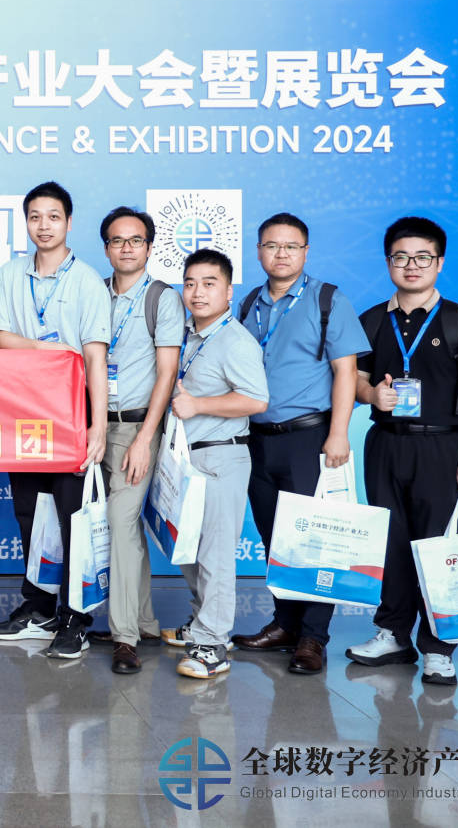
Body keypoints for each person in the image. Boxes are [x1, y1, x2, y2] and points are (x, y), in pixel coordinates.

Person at [348, 216, 458, 687]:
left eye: (422, 257)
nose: (411, 265)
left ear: (440, 262)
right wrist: (372, 395)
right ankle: (393, 634)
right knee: (390, 544)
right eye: (401, 257)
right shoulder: (372, 320)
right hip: (386, 444)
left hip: (442, 446)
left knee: (437, 547)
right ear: (388, 261)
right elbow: (354, 381)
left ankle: (438, 648)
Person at [233, 213, 368, 676]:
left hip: (309, 437)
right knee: (274, 539)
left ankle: (313, 637)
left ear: (306, 252)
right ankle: (285, 624)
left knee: (314, 541)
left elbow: (346, 371)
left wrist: (338, 433)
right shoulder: (249, 303)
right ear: (258, 251)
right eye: (272, 246)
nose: (281, 254)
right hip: (256, 438)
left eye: (291, 246)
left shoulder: (327, 300)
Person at [0, 181, 110, 660]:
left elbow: (95, 357)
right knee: (30, 513)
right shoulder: (9, 274)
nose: (44, 226)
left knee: (71, 517)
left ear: (69, 223)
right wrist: (48, 348)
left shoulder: (88, 281)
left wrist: (98, 425)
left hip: (72, 411)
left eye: (53, 217)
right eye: (35, 217)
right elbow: (3, 337)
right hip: (23, 412)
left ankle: (76, 617)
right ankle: (38, 607)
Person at [158, 248, 269, 679]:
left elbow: (257, 400)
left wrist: (199, 405)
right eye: (190, 284)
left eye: (209, 284)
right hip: (187, 459)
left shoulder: (235, 340)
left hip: (221, 456)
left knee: (215, 555)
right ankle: (200, 623)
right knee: (188, 550)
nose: (197, 292)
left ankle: (212, 645)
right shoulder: (187, 334)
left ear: (228, 291)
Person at [88, 207, 181, 675]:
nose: (126, 248)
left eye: (136, 240)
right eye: (117, 240)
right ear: (106, 248)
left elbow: (167, 372)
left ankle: (123, 637)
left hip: (136, 428)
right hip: (95, 426)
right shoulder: (92, 293)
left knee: (121, 520)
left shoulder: (162, 298)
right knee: (126, 528)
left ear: (149, 246)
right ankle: (144, 621)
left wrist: (146, 437)